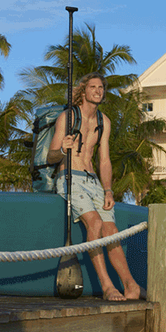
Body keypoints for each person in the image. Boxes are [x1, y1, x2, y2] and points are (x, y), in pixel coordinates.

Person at [47, 73, 143, 301]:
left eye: (101, 87)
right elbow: (51, 156)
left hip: (94, 182)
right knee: (96, 222)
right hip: (70, 177)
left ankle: (131, 285)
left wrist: (108, 190)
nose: (98, 91)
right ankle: (107, 286)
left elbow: (104, 160)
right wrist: (63, 149)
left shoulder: (104, 121)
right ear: (83, 90)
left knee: (111, 232)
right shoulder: (68, 117)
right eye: (93, 87)